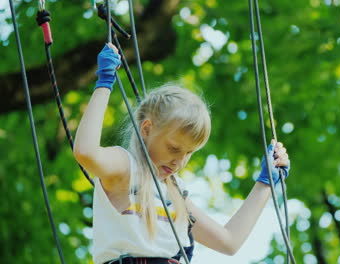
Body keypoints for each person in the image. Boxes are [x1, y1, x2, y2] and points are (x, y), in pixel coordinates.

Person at [73, 43, 291, 264]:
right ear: (147, 129)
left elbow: (229, 242)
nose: (179, 161)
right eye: (174, 148)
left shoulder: (175, 193)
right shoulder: (125, 169)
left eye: (189, 153)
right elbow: (86, 152)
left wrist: (265, 183)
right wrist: (104, 83)